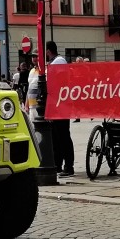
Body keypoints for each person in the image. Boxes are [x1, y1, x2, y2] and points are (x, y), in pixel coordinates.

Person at [45, 41, 74, 177]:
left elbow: (59, 81)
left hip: (62, 104)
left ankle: (69, 166)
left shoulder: (59, 61)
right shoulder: (54, 62)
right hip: (55, 104)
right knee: (56, 137)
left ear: (48, 51)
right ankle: (58, 164)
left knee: (63, 136)